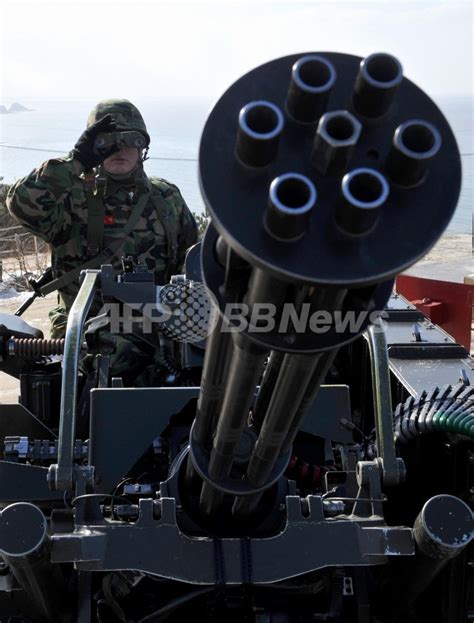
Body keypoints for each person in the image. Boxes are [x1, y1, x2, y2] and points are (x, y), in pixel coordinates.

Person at [6, 99, 198, 383]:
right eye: (107, 141)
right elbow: (20, 202)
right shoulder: (72, 198)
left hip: (159, 336)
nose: (119, 149)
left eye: (130, 139)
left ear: (143, 146)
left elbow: (192, 263)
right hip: (86, 339)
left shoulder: (167, 198)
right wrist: (76, 161)